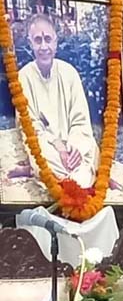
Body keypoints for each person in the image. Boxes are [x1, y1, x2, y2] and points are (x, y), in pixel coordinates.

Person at [17, 14, 98, 188]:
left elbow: (81, 120)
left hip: (73, 145)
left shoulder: (70, 73)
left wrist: (74, 148)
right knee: (39, 153)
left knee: (90, 148)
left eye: (48, 39)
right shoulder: (24, 77)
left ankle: (70, 177)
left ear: (56, 42)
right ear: (30, 44)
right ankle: (74, 178)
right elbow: (30, 125)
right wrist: (57, 145)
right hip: (47, 145)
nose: (43, 46)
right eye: (38, 40)